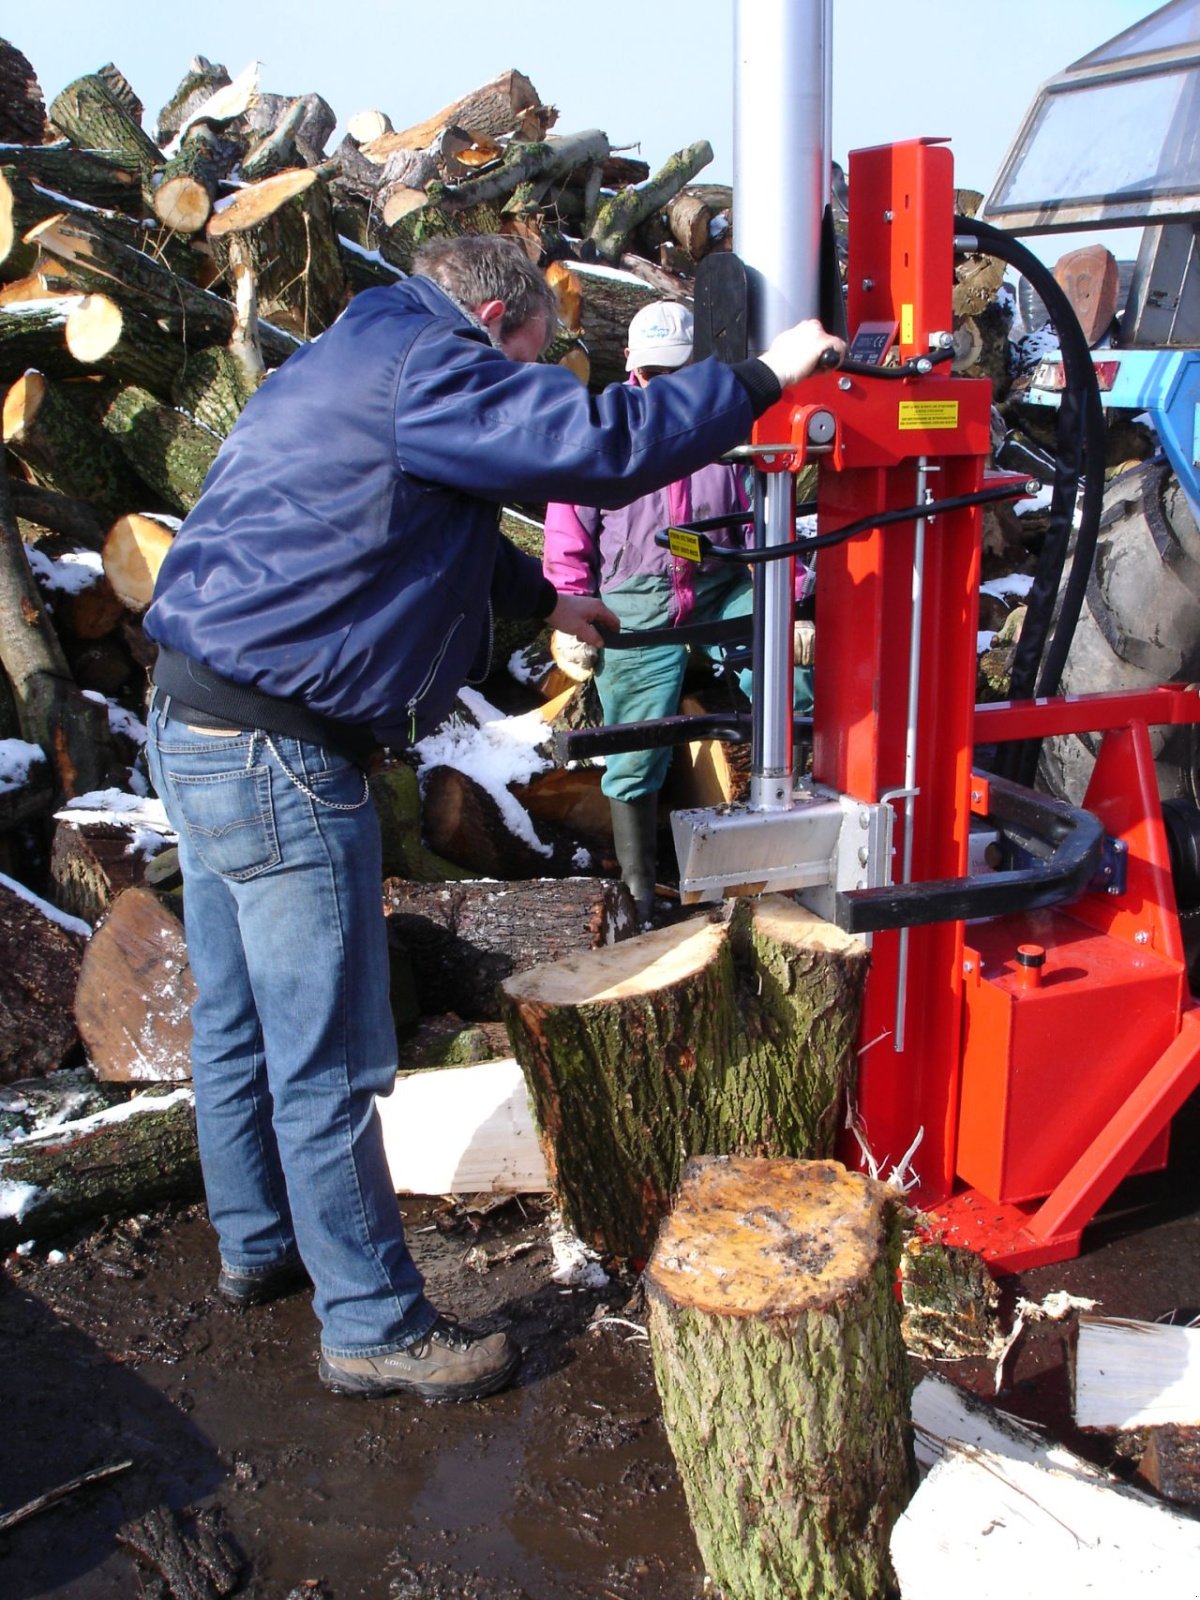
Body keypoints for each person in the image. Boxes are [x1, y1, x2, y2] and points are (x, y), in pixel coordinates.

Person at [141, 235, 844, 1404]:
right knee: (332, 1058)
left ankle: (258, 1245)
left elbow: (421, 519)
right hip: (281, 753)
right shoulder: (438, 365)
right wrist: (766, 378)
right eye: (533, 352)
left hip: (193, 717)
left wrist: (547, 596)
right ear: (491, 316)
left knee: (236, 1020)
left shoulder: (358, 350)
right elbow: (603, 451)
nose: (534, 377)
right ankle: (370, 1322)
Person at [544, 301, 813, 921]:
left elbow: (769, 521)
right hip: (636, 592)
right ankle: (639, 894)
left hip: (722, 578)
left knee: (791, 682)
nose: (664, 387)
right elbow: (566, 532)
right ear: (634, 370)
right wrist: (568, 611)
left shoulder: (732, 425)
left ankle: (793, 844)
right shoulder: (601, 431)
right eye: (653, 375)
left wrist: (789, 599)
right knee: (636, 740)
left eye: (678, 374)